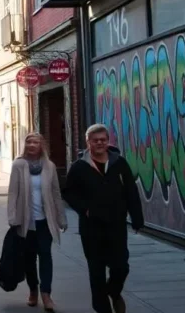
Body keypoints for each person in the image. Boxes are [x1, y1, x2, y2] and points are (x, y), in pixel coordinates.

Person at [63, 123, 143, 313]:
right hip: (91, 227)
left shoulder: (119, 162)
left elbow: (131, 190)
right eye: (95, 140)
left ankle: (113, 292)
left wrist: (137, 218)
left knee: (121, 266)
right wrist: (85, 210)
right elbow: (68, 192)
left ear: (108, 141)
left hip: (116, 224)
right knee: (96, 270)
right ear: (88, 142)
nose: (100, 143)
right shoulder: (79, 166)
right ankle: (102, 308)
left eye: (103, 140)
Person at [8, 133, 67, 311]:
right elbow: (12, 193)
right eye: (29, 142)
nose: (32, 145)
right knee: (29, 259)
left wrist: (61, 218)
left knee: (46, 256)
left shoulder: (49, 166)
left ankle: (46, 294)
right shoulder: (19, 164)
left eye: (35, 142)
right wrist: (12, 217)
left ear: (42, 146)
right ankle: (33, 289)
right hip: (26, 221)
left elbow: (56, 193)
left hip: (44, 221)